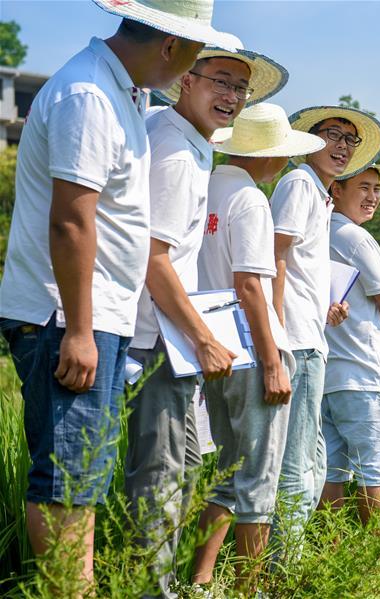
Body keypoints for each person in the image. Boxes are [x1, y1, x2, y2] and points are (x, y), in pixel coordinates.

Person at [0, 1, 231, 590]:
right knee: (68, 481)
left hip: (94, 315)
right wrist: (78, 329)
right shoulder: (89, 97)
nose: (191, 67)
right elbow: (72, 222)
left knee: (85, 476)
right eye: (196, 53)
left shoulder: (121, 93)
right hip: (68, 315)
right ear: (169, 46)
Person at [125, 42, 287, 599]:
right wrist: (208, 340)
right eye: (221, 81)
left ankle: (178, 584)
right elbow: (155, 258)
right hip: (164, 342)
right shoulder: (176, 152)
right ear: (185, 81)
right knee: (167, 482)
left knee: (188, 472)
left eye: (240, 88)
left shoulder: (197, 157)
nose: (232, 96)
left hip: (176, 346)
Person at [190, 103, 324, 593]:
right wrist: (273, 360)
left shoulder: (207, 188)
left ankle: (201, 581)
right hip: (252, 345)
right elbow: (250, 284)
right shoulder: (249, 200)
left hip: (214, 344)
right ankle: (252, 587)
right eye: (282, 156)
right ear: (266, 156)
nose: (285, 164)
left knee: (226, 472)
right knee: (259, 483)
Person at [271, 105, 380, 539]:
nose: (342, 146)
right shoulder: (300, 183)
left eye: (349, 140)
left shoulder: (318, 193)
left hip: (310, 337)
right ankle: (284, 569)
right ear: (310, 139)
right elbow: (276, 256)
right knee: (298, 463)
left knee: (315, 460)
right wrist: (276, 337)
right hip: (295, 343)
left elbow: (296, 266)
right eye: (333, 135)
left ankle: (301, 557)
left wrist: (322, 306)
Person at [318, 164, 380, 525]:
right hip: (367, 375)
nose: (373, 197)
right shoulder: (355, 237)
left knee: (331, 472)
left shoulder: (316, 230)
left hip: (329, 375)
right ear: (336, 190)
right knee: (377, 472)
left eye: (377, 189)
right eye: (363, 188)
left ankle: (331, 554)